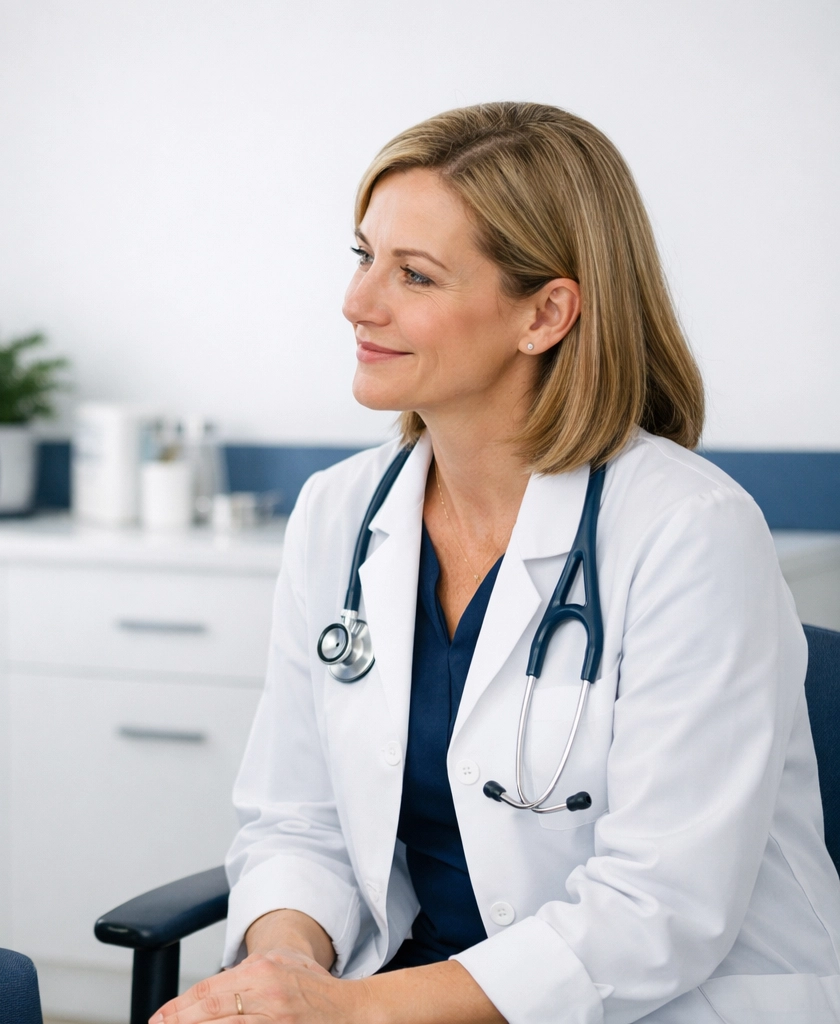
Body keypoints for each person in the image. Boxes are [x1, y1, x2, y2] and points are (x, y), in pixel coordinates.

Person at [156, 103, 840, 1023]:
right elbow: (297, 821)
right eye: (364, 257)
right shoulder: (339, 513)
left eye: (416, 275)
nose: (358, 303)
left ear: (546, 313)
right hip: (411, 989)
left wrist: (352, 1013)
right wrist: (285, 978)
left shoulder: (690, 530)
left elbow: (658, 914)